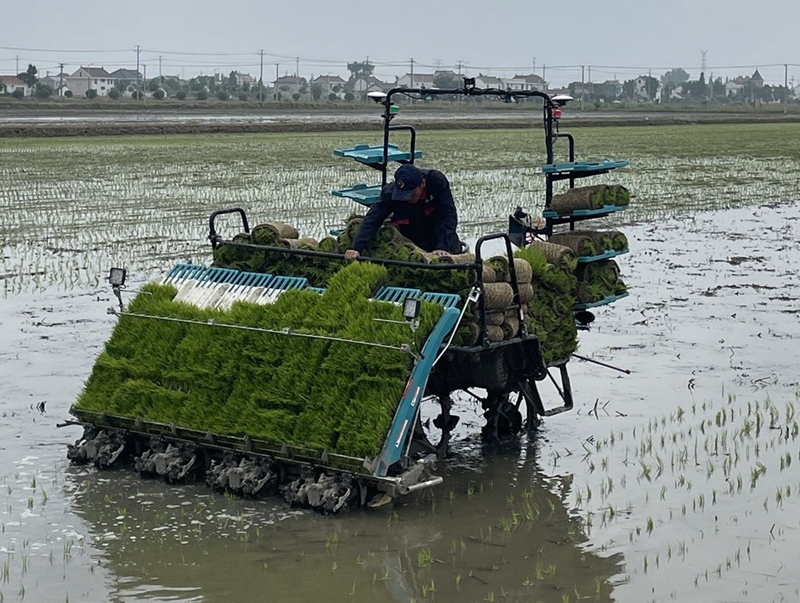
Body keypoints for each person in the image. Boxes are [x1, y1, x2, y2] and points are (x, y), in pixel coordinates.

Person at [344, 164, 461, 260]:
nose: (408, 198)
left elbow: (448, 215)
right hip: (412, 244)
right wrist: (356, 248)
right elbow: (372, 219)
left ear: (422, 184)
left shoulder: (436, 182)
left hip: (441, 239)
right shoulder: (390, 194)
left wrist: (441, 246)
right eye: (404, 195)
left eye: (412, 194)